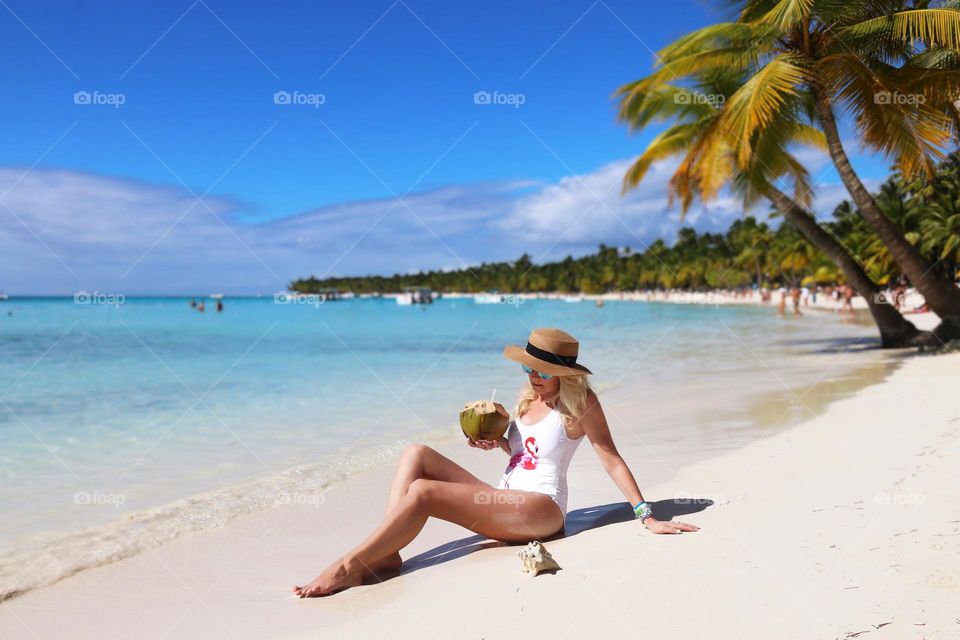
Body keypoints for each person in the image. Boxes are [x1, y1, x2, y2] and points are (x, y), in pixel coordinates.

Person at [293, 328, 699, 598]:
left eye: (541, 371)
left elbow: (610, 458)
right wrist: (500, 443)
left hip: (541, 510)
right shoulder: (528, 399)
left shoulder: (581, 404)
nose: (532, 376)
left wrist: (646, 515)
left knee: (423, 493)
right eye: (528, 367)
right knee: (415, 453)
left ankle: (350, 565)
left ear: (563, 373)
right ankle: (386, 555)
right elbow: (527, 453)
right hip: (503, 502)